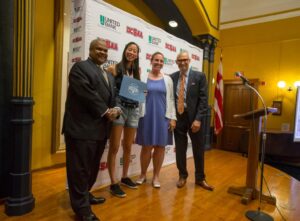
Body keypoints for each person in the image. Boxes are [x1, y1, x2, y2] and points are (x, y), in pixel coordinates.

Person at [62, 39, 121, 221]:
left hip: (100, 131)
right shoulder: (80, 68)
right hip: (81, 130)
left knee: (91, 169)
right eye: (99, 49)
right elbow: (88, 94)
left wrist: (117, 109)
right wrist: (106, 112)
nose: (103, 52)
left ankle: (85, 195)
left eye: (105, 50)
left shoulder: (109, 75)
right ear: (90, 50)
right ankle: (82, 210)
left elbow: (115, 96)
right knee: (79, 170)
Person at [170, 51, 214, 191]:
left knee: (198, 150)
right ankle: (182, 175)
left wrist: (198, 119)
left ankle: (200, 178)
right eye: (180, 60)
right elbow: (171, 99)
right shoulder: (172, 77)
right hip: (179, 118)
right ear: (176, 62)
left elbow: (203, 100)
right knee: (180, 150)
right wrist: (172, 117)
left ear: (189, 61)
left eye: (185, 59)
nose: (182, 62)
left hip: (194, 118)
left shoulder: (199, 76)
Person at [135, 52, 176, 188]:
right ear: (151, 61)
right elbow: (136, 96)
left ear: (163, 63)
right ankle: (142, 174)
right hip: (146, 116)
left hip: (163, 118)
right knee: (146, 147)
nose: (158, 62)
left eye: (161, 60)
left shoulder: (168, 79)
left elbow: (171, 99)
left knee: (160, 147)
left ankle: (156, 176)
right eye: (156, 60)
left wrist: (172, 118)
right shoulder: (142, 77)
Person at [106, 42, 141, 197]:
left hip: (133, 110)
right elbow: (107, 90)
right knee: (114, 146)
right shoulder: (114, 68)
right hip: (119, 109)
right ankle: (114, 183)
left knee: (128, 146)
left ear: (137, 54)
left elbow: (137, 92)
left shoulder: (137, 71)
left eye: (135, 51)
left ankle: (125, 177)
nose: (132, 52)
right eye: (130, 49)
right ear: (125, 50)